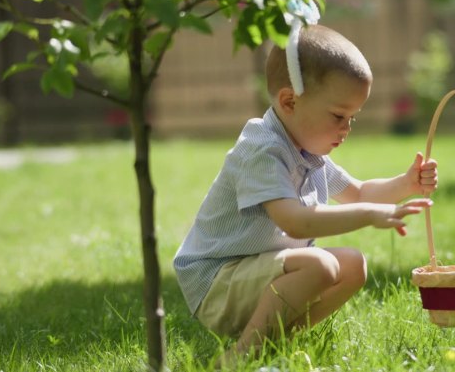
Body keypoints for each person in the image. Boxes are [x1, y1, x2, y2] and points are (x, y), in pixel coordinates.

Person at [173, 24, 438, 362]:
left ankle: (272, 342)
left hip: (254, 275)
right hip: (217, 284)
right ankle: (241, 355)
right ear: (289, 101)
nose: (347, 128)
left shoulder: (307, 152)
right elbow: (295, 222)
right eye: (338, 115)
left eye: (352, 118)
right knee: (322, 266)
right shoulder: (263, 150)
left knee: (353, 265)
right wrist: (370, 216)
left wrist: (406, 183)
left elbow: (358, 193)